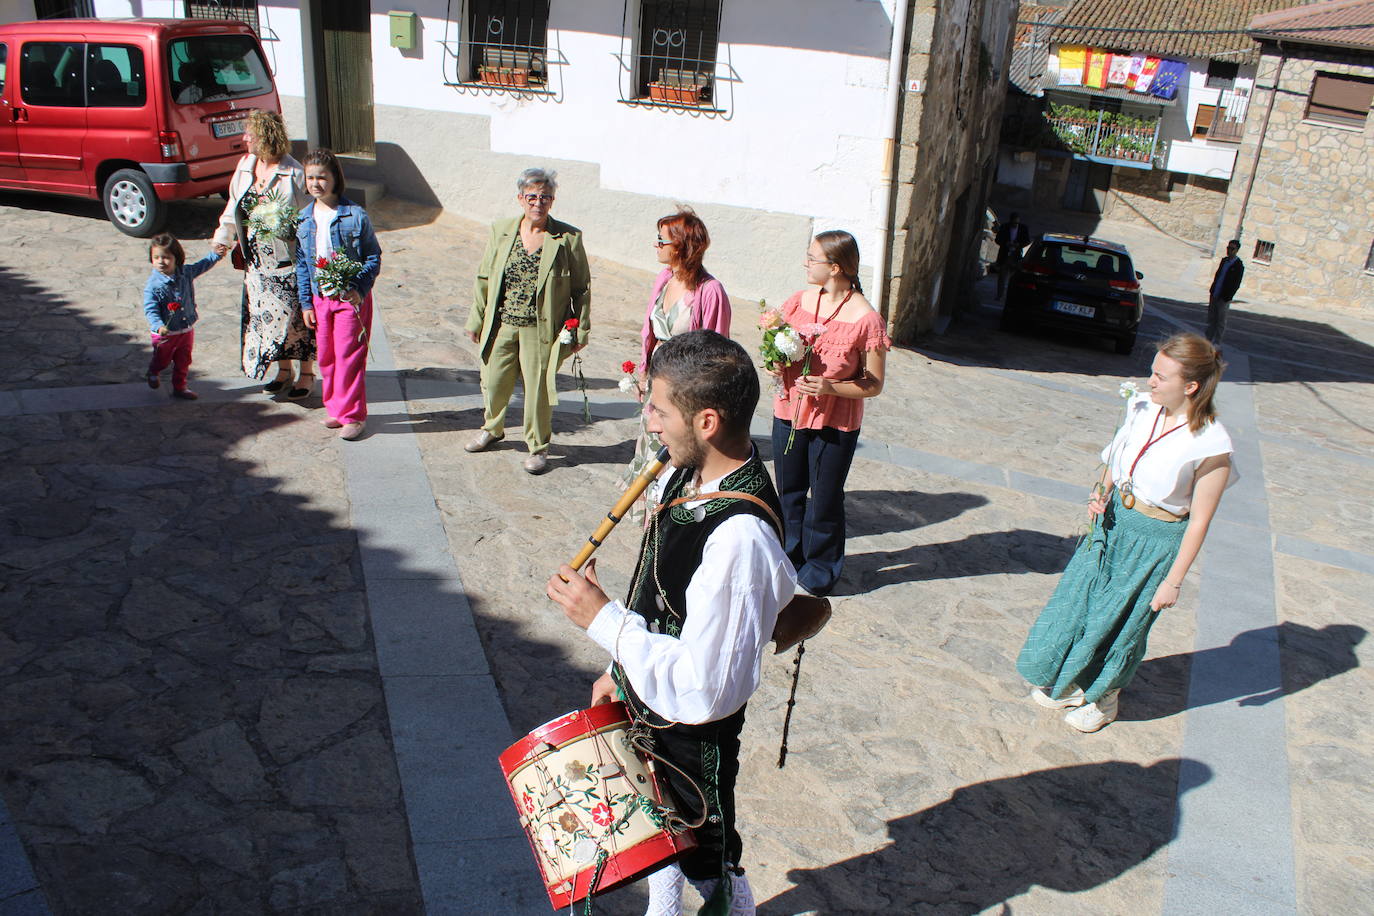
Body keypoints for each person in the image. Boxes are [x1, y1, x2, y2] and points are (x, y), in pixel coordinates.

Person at [547, 330, 795, 916]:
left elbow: (705, 689)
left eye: (658, 408)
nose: (650, 422)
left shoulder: (739, 539)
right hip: (647, 702)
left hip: (690, 735)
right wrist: (620, 669)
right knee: (651, 832)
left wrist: (602, 620)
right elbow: (659, 591)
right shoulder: (686, 472)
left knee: (708, 861)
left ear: (706, 420)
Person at [1017, 333, 1236, 732]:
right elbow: (1114, 460)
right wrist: (1100, 491)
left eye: (1160, 376)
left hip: (1154, 542)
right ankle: (1070, 682)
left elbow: (1200, 520)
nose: (1150, 381)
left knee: (1120, 621)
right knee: (1082, 605)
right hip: (1114, 523)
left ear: (1190, 386)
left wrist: (1173, 581)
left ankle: (1105, 698)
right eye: (1152, 372)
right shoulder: (1141, 408)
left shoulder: (1210, 444)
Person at [772, 230, 890, 597]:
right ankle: (786, 561)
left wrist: (829, 387)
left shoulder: (866, 320)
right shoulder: (797, 302)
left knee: (824, 498)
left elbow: (874, 384)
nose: (806, 263)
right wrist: (775, 361)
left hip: (834, 424)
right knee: (789, 493)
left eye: (813, 258)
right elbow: (779, 352)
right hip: (789, 412)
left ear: (836, 267)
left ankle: (820, 571)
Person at [464, 167, 591, 474]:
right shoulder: (501, 230)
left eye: (545, 197)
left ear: (552, 200)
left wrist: (581, 328)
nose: (538, 202)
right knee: (494, 382)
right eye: (532, 196)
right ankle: (492, 429)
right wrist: (476, 318)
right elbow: (484, 276)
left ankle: (538, 447)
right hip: (503, 323)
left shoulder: (568, 238)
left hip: (541, 329)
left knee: (537, 392)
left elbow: (581, 286)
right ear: (520, 198)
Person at [620, 209, 732, 521]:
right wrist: (643, 373)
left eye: (662, 240)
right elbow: (651, 333)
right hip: (658, 385)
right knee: (652, 452)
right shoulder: (664, 279)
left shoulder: (710, 291)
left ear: (681, 246)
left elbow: (716, 351)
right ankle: (651, 525)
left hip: (686, 392)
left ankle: (671, 521)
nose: (656, 245)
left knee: (675, 459)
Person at [212, 109, 315, 397]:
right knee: (267, 318)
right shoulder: (245, 165)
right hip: (256, 261)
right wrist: (223, 236)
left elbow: (308, 215)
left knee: (295, 320)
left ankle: (306, 374)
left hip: (287, 260)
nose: (244, 138)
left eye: (250, 134)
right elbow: (234, 206)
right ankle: (283, 371)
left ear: (266, 137)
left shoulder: (293, 172)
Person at [294, 148, 382, 441]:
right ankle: (336, 408)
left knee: (349, 356)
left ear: (334, 179)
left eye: (322, 177)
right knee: (328, 356)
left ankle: (354, 415)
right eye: (310, 178)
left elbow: (373, 256)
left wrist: (358, 287)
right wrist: (306, 302)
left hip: (349, 299)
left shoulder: (354, 216)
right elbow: (303, 265)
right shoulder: (305, 218)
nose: (316, 183)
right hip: (321, 299)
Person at [142, 232, 221, 401]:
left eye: (166, 257)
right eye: (156, 257)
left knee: (183, 361)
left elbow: (203, 265)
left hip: (185, 329)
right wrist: (158, 325)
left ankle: (180, 386)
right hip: (165, 333)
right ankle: (153, 371)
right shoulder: (153, 286)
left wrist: (216, 255)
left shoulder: (185, 273)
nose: (161, 261)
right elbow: (151, 309)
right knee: (162, 359)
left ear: (176, 258)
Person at [1206, 239, 1244, 344]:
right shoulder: (1224, 261)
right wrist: (1212, 290)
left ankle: (1217, 341)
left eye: (1232, 249)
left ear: (1237, 250)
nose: (1229, 251)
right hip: (1215, 294)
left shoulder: (1238, 266)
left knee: (1220, 320)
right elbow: (1218, 276)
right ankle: (1208, 339)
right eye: (1228, 248)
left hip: (1224, 297)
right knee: (1211, 318)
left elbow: (1236, 283)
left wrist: (1228, 296)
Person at [994, 212, 1031, 300]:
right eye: (1013, 223)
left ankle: (1013, 296)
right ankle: (999, 295)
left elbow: (1027, 241)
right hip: (1005, 255)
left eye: (1016, 223)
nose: (1015, 225)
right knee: (1002, 277)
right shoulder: (1004, 227)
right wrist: (1006, 243)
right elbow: (998, 239)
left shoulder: (1023, 228)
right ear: (1010, 221)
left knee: (1015, 278)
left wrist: (1018, 245)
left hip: (1016, 256)